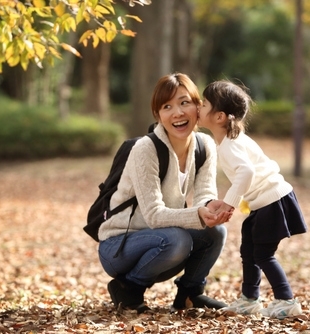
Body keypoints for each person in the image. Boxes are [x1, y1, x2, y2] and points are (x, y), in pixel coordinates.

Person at [98, 73, 233, 313]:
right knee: (177, 239)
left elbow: (204, 194)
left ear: (198, 108)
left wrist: (210, 209)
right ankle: (128, 289)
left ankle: (190, 294)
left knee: (215, 231)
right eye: (167, 106)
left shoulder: (205, 145)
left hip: (162, 239)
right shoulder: (146, 149)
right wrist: (199, 214)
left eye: (184, 103)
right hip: (119, 245)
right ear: (158, 115)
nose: (178, 113)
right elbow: (154, 215)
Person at [197, 80, 307, 319]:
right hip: (264, 203)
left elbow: (246, 172)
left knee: (263, 254)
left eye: (204, 104)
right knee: (249, 250)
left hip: (272, 201)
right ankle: (249, 298)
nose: (198, 106)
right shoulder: (229, 140)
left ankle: (286, 300)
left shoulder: (230, 144)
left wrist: (229, 203)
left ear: (219, 117)